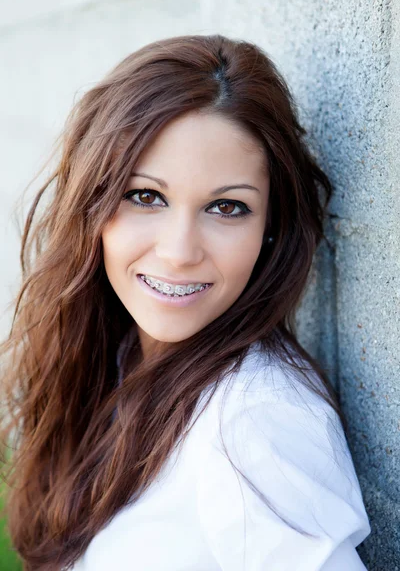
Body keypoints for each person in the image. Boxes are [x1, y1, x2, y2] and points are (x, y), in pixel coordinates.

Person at [0, 34, 371, 570]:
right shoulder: (118, 356)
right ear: (91, 203)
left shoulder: (257, 421)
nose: (178, 254)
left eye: (227, 207)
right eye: (145, 196)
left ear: (272, 226)